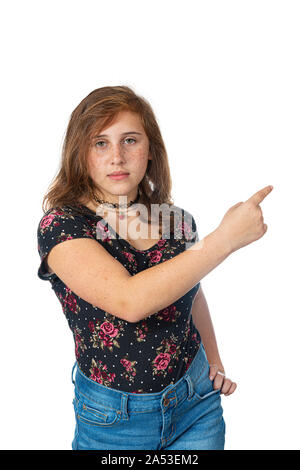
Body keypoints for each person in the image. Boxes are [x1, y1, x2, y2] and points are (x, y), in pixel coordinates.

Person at [37, 85, 273, 450]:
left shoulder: (175, 220)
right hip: (113, 422)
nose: (117, 156)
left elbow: (189, 290)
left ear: (150, 152)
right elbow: (130, 302)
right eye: (101, 143)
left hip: (196, 406)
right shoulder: (63, 225)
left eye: (130, 140)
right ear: (80, 154)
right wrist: (223, 240)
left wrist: (214, 359)